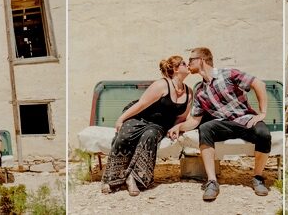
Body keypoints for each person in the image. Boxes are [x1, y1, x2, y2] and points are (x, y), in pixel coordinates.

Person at [169, 46, 271, 201]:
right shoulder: (200, 92)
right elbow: (194, 120)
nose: (188, 63)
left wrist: (262, 112)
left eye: (190, 60)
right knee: (205, 127)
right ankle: (212, 181)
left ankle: (258, 177)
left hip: (245, 120)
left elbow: (259, 84)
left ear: (201, 60)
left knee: (263, 134)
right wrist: (178, 126)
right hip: (223, 125)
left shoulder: (229, 74)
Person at [101, 55, 191, 195]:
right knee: (124, 136)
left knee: (150, 136)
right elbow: (141, 104)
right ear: (175, 69)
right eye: (184, 63)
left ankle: (134, 179)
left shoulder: (189, 92)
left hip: (158, 126)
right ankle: (112, 179)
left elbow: (182, 117)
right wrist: (121, 119)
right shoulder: (162, 84)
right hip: (139, 118)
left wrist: (175, 127)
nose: (188, 65)